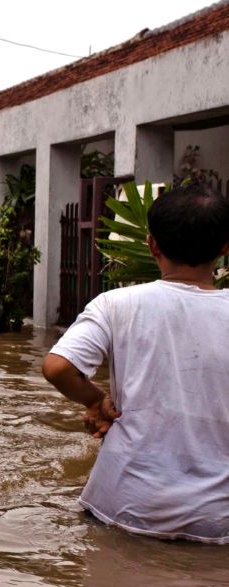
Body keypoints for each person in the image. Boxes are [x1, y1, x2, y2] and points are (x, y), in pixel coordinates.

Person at [42, 183, 229, 543]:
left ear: (152, 244)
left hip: (126, 504)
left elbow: (58, 367)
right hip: (217, 521)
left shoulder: (116, 304)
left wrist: (96, 400)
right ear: (224, 248)